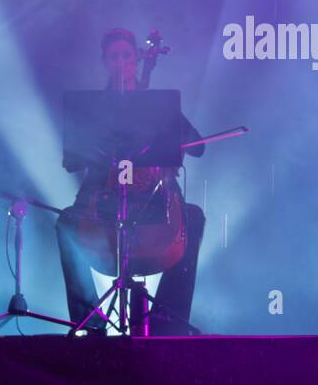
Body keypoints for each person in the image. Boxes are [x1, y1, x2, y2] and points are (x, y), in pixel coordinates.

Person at [56, 28, 207, 335]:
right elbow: (71, 162)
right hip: (104, 197)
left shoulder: (159, 105)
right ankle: (89, 320)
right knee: (66, 223)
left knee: (192, 219)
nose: (121, 62)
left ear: (137, 59)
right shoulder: (92, 108)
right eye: (114, 56)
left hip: (153, 197)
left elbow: (199, 146)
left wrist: (168, 136)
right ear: (105, 62)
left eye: (127, 55)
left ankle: (169, 320)